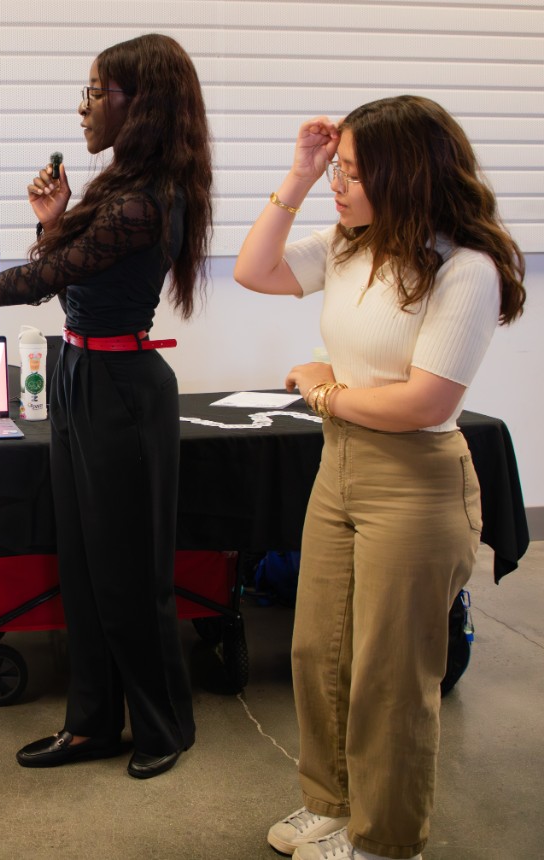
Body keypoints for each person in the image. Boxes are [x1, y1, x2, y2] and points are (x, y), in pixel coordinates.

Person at [0, 33, 212, 779]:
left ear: (137, 105)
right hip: (81, 376)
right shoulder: (118, 189)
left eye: (95, 93)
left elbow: (42, 281)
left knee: (130, 573)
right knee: (81, 564)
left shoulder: (147, 201)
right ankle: (93, 724)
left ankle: (164, 726)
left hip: (121, 394)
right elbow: (67, 272)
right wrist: (53, 218)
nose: (82, 111)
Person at [233, 96, 525, 860]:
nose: (339, 182)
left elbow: (426, 400)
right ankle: (331, 805)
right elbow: (253, 270)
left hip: (416, 480)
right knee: (317, 650)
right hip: (341, 465)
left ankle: (386, 840)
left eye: (351, 171)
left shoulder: (466, 268)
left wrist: (325, 389)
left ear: (406, 175)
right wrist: (298, 174)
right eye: (337, 167)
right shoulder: (349, 243)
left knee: (390, 675)